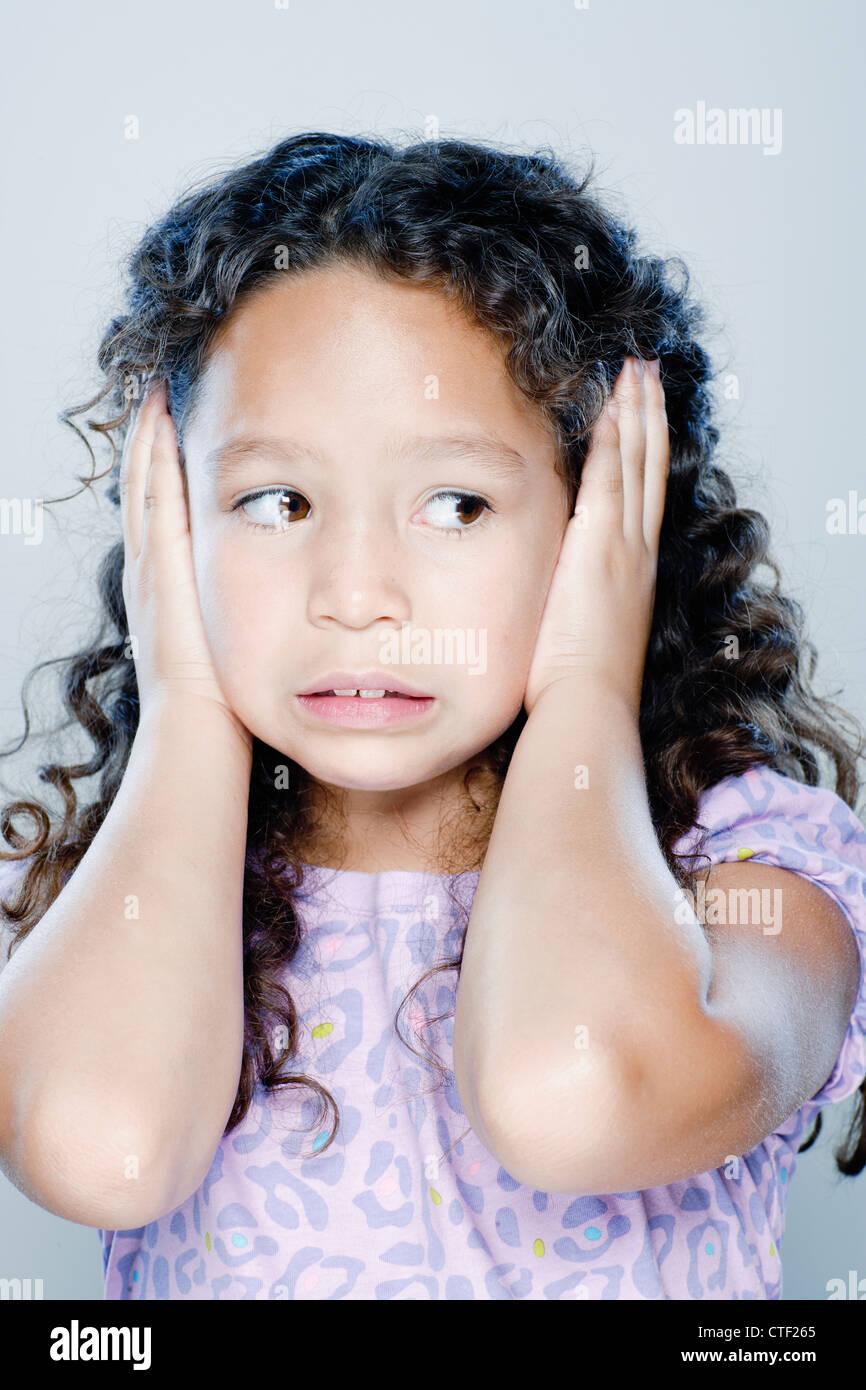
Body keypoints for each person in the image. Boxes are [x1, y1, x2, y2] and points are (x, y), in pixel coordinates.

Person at [0, 132, 863, 1300]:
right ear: (171, 523)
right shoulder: (149, 897)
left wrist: (584, 691)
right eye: (275, 500)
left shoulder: (753, 876)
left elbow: (572, 1091)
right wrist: (189, 706)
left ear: (601, 513)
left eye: (454, 503)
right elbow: (103, 1150)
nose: (354, 596)